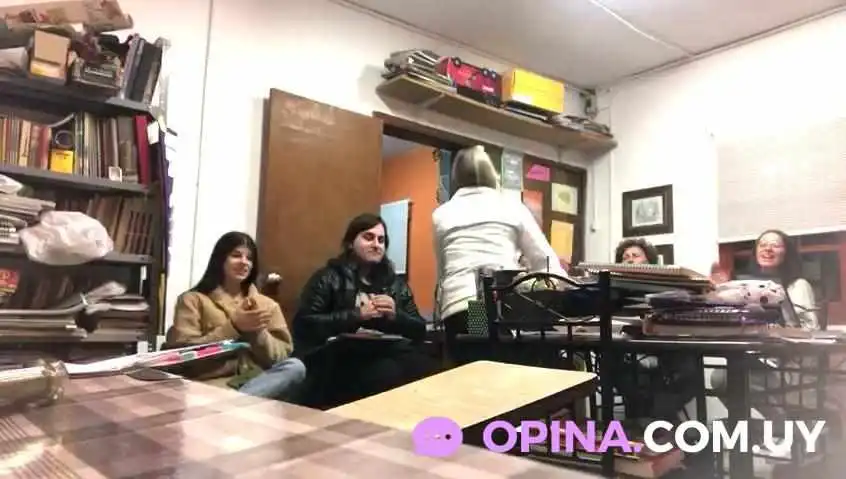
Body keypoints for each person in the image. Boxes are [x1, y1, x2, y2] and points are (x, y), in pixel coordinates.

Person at [293, 213, 436, 407]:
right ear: (350, 244)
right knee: (385, 373)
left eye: (381, 240)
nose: (376, 245)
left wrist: (396, 317)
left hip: (387, 351)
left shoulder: (395, 284)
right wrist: (357, 315)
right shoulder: (329, 277)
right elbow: (304, 325)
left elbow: (419, 329)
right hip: (339, 358)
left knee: (429, 368)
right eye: (369, 238)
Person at [432, 145, 567, 345]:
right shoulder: (511, 207)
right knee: (490, 357)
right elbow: (546, 261)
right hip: (484, 303)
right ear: (491, 173)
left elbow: (442, 269)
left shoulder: (442, 213)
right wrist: (559, 289)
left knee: (469, 360)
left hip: (454, 305)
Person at [165, 231, 306, 401]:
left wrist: (258, 333)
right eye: (236, 255)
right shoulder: (193, 300)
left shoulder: (268, 306)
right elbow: (183, 356)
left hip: (257, 384)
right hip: (211, 383)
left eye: (249, 258)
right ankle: (236, 402)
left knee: (295, 367)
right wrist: (233, 327)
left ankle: (236, 402)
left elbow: (280, 358)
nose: (244, 262)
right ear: (220, 259)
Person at [709, 229, 819, 429]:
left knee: (728, 378)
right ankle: (770, 427)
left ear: (786, 253)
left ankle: (781, 428)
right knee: (719, 377)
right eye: (763, 244)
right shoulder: (748, 286)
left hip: (789, 362)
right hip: (758, 357)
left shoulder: (798, 285)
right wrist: (719, 294)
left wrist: (779, 330)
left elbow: (811, 330)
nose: (768, 249)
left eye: (775, 245)